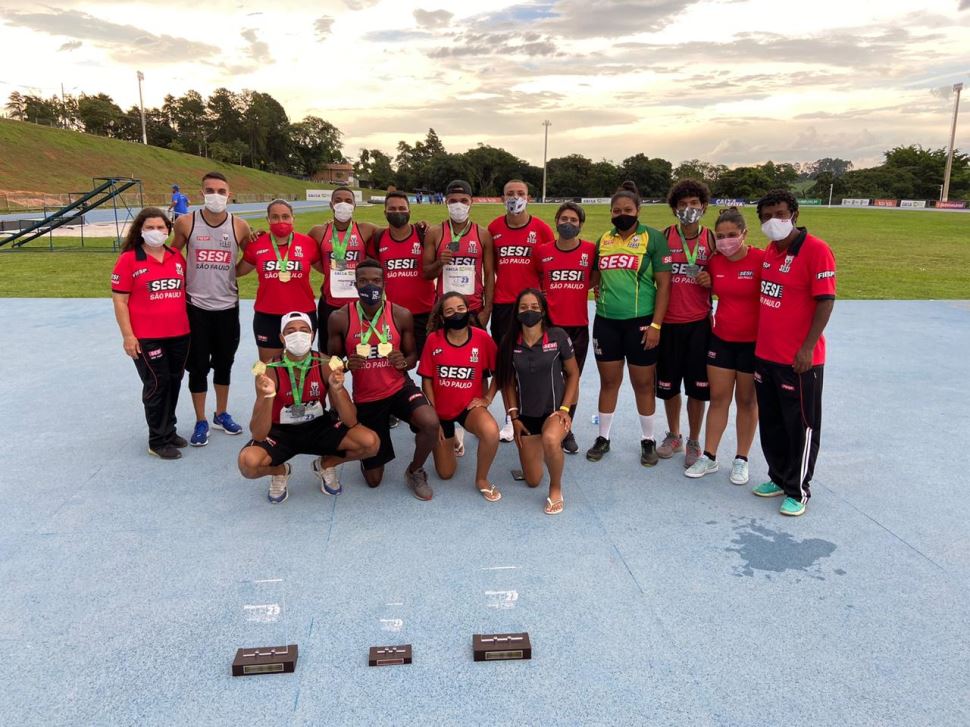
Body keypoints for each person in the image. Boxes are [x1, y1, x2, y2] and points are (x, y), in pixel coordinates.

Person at [750, 190, 836, 517]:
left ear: (794, 215)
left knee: (800, 425)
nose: (773, 221)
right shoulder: (770, 251)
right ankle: (778, 476)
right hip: (766, 354)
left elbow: (825, 301)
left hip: (799, 359)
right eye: (766, 217)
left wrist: (807, 348)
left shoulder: (816, 250)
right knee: (771, 423)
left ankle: (798, 489)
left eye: (780, 214)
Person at [238, 312, 380, 504]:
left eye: (304, 330)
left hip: (317, 427)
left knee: (370, 443)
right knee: (248, 463)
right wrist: (268, 396)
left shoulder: (326, 364)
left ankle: (326, 464)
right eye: (291, 331)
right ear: (282, 337)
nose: (298, 335)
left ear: (312, 335)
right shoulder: (268, 371)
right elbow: (258, 434)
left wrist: (337, 390)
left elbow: (351, 421)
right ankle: (280, 472)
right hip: (281, 432)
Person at [327, 260, 440, 500]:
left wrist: (403, 362)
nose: (370, 286)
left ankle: (415, 470)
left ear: (384, 283)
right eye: (363, 281)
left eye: (376, 281)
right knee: (374, 481)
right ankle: (369, 447)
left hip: (399, 388)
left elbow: (412, 357)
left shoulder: (401, 314)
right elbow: (331, 363)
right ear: (355, 284)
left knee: (430, 422)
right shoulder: (339, 318)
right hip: (367, 397)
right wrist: (346, 365)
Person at [586, 181, 672, 466]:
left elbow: (664, 285)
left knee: (643, 384)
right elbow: (593, 278)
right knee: (609, 382)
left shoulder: (653, 238)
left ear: (638, 210)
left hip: (641, 323)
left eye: (627, 210)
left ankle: (648, 440)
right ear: (611, 212)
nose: (622, 214)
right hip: (606, 322)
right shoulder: (604, 240)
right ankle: (603, 437)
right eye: (617, 210)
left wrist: (656, 325)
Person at [172, 171, 252, 447]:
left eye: (221, 191)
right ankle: (200, 419)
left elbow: (253, 256)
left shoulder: (240, 225)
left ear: (229, 194)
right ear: (201, 193)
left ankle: (221, 413)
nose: (215, 195)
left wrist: (232, 272)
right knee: (197, 367)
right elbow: (173, 256)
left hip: (227, 306)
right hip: (196, 306)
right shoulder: (186, 222)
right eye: (210, 190)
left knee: (224, 364)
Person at [685, 207, 764, 485]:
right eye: (720, 236)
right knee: (718, 399)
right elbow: (699, 276)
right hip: (721, 339)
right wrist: (704, 279)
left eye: (732, 235)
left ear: (744, 234)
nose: (726, 240)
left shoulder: (761, 260)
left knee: (747, 401)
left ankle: (741, 459)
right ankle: (709, 456)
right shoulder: (715, 262)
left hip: (752, 343)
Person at [111, 207, 190, 460]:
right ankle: (157, 439)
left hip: (179, 332)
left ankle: (169, 430)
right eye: (150, 227)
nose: (156, 232)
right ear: (140, 230)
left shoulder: (176, 257)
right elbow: (120, 301)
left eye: (160, 227)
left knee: (174, 381)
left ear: (168, 230)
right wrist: (128, 336)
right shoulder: (129, 260)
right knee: (157, 384)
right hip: (147, 336)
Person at [496, 289, 579, 515]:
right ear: (516, 312)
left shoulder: (558, 336)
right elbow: (507, 382)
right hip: (525, 416)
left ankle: (556, 488)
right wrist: (514, 417)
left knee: (551, 439)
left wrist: (566, 409)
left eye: (534, 307)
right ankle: (541, 448)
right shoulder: (509, 341)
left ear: (543, 311)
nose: (529, 311)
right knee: (532, 480)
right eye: (524, 307)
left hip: (555, 411)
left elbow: (573, 374)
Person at [488, 179, 556, 443]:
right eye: (510, 194)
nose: (515, 198)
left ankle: (545, 413)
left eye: (520, 193)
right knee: (507, 363)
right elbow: (492, 268)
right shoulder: (494, 228)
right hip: (504, 305)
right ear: (502, 197)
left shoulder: (541, 229)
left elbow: (549, 267)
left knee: (535, 362)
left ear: (529, 197)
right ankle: (511, 417)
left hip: (532, 306)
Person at [418, 292, 503, 502]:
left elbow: (500, 372)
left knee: (491, 432)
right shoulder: (433, 340)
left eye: (460, 309)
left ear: (468, 310)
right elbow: (426, 380)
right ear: (442, 316)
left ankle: (481, 479)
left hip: (468, 408)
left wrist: (488, 398)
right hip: (441, 412)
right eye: (449, 311)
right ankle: (454, 438)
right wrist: (433, 418)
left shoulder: (482, 338)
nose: (456, 314)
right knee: (445, 473)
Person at [656, 179, 715, 467]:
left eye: (694, 203)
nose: (688, 208)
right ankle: (674, 434)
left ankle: (693, 439)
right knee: (668, 386)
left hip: (699, 324)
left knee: (697, 387)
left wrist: (712, 280)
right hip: (667, 324)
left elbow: (726, 275)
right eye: (682, 204)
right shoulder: (663, 237)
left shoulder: (713, 239)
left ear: (703, 207)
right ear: (674, 209)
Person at [534, 201, 597, 454]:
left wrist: (580, 289)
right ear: (556, 221)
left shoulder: (590, 250)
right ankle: (543, 423)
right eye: (564, 219)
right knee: (546, 376)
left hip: (578, 326)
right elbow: (537, 277)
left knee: (572, 378)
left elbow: (595, 277)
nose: (568, 223)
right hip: (549, 325)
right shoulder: (542, 251)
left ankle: (566, 428)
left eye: (573, 220)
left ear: (581, 225)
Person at [236, 200, 321, 362]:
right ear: (268, 219)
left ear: (293, 218)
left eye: (285, 216)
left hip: (301, 315)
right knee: (269, 368)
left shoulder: (308, 243)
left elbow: (326, 269)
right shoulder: (257, 244)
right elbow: (238, 271)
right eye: (275, 217)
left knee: (300, 366)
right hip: (267, 315)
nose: (280, 221)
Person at [310, 187, 377, 352]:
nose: (343, 204)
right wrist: (329, 271)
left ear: (354, 205)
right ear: (331, 205)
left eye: (348, 201)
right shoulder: (318, 232)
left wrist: (421, 227)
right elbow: (306, 254)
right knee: (329, 356)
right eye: (338, 200)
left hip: (360, 304)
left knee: (362, 354)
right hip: (330, 304)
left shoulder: (366, 229)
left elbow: (394, 233)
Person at [370, 191, 436, 359]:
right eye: (392, 209)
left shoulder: (423, 235)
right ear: (385, 212)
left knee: (428, 362)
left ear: (409, 211)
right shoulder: (378, 238)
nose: (397, 212)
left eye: (402, 208)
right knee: (397, 361)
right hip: (394, 315)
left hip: (425, 314)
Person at [422, 179, 495, 326]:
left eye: (463, 201)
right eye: (453, 201)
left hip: (473, 308)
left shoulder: (483, 234)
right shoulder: (435, 233)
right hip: (445, 309)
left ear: (471, 202)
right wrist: (440, 262)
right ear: (446, 202)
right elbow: (427, 274)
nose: (458, 205)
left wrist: (487, 310)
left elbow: (489, 275)